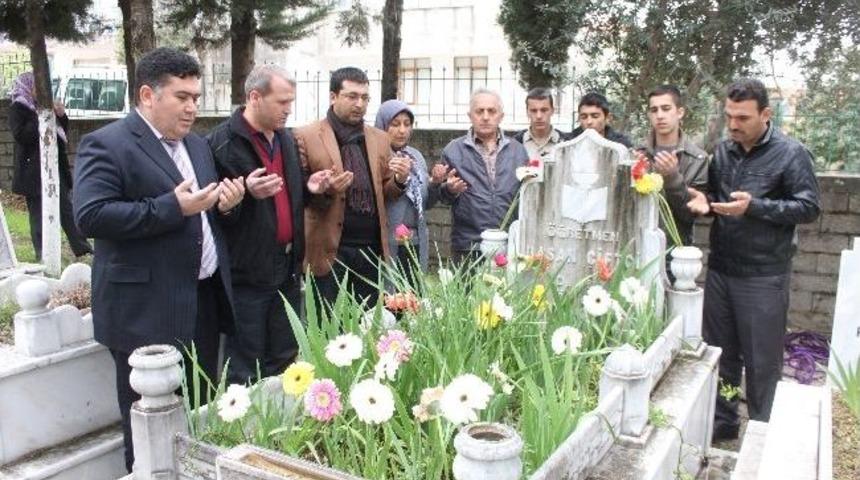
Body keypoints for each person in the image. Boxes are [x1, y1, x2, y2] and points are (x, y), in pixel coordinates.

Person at [73, 48, 244, 471]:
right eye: (182, 97)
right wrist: (171, 208)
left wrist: (227, 205)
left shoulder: (198, 147)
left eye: (197, 98)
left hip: (202, 299)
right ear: (148, 95)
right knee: (148, 425)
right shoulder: (107, 143)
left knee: (198, 413)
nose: (192, 107)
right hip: (144, 310)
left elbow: (202, 211)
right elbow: (90, 216)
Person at [686, 78, 820, 440]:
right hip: (722, 269)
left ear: (765, 114)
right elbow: (717, 198)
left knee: (761, 362)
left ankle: (762, 432)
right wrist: (705, 204)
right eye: (729, 116)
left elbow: (808, 207)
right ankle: (724, 424)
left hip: (763, 275)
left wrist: (756, 207)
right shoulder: (724, 151)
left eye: (742, 118)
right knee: (721, 354)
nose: (733, 124)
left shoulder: (791, 153)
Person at [207, 65, 329, 385]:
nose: (289, 109)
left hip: (287, 266)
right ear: (255, 97)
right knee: (246, 365)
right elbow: (214, 213)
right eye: (282, 102)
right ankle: (245, 429)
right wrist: (243, 195)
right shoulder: (222, 143)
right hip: (246, 272)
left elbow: (287, 195)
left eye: (291, 102)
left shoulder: (285, 138)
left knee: (286, 357)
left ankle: (282, 432)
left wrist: (309, 188)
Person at [294, 67, 410, 308]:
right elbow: (300, 195)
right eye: (352, 96)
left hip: (370, 251)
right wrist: (327, 189)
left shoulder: (379, 138)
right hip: (329, 251)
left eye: (365, 97)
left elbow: (386, 192)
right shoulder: (306, 135)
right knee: (328, 333)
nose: (360, 104)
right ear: (333, 96)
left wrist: (399, 179)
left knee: (367, 327)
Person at [8, 71, 93, 260]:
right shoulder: (19, 107)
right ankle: (42, 253)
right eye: (36, 86)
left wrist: (60, 115)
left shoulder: (43, 106)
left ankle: (82, 248)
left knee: (66, 208)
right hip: (33, 170)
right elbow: (21, 135)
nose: (40, 90)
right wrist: (43, 119)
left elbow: (61, 131)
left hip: (54, 168)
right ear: (28, 86)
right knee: (38, 213)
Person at [439, 88, 528, 264]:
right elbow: (441, 197)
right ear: (470, 115)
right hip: (468, 245)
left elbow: (526, 194)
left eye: (491, 111)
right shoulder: (454, 150)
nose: (485, 117)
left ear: (501, 116)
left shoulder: (518, 151)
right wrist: (449, 189)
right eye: (480, 111)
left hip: (509, 244)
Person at [374, 99, 446, 286]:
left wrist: (436, 184)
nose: (402, 130)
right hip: (387, 243)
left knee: (412, 300)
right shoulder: (375, 156)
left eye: (407, 124)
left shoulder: (415, 156)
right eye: (395, 124)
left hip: (414, 242)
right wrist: (399, 178)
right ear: (382, 126)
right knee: (389, 300)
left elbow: (424, 204)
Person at [634, 85, 708, 245]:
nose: (660, 115)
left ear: (680, 112)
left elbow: (688, 216)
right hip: (637, 248)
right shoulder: (637, 155)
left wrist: (672, 178)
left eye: (666, 108)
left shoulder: (697, 159)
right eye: (654, 110)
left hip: (675, 252)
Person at [513, 87, 570, 161]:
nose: (538, 116)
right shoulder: (515, 144)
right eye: (534, 111)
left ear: (552, 111)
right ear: (527, 112)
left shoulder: (566, 143)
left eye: (544, 110)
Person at [569, 92, 633, 148]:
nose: (589, 122)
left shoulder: (621, 144)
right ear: (579, 118)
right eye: (584, 117)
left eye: (595, 116)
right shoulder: (569, 142)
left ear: (608, 118)